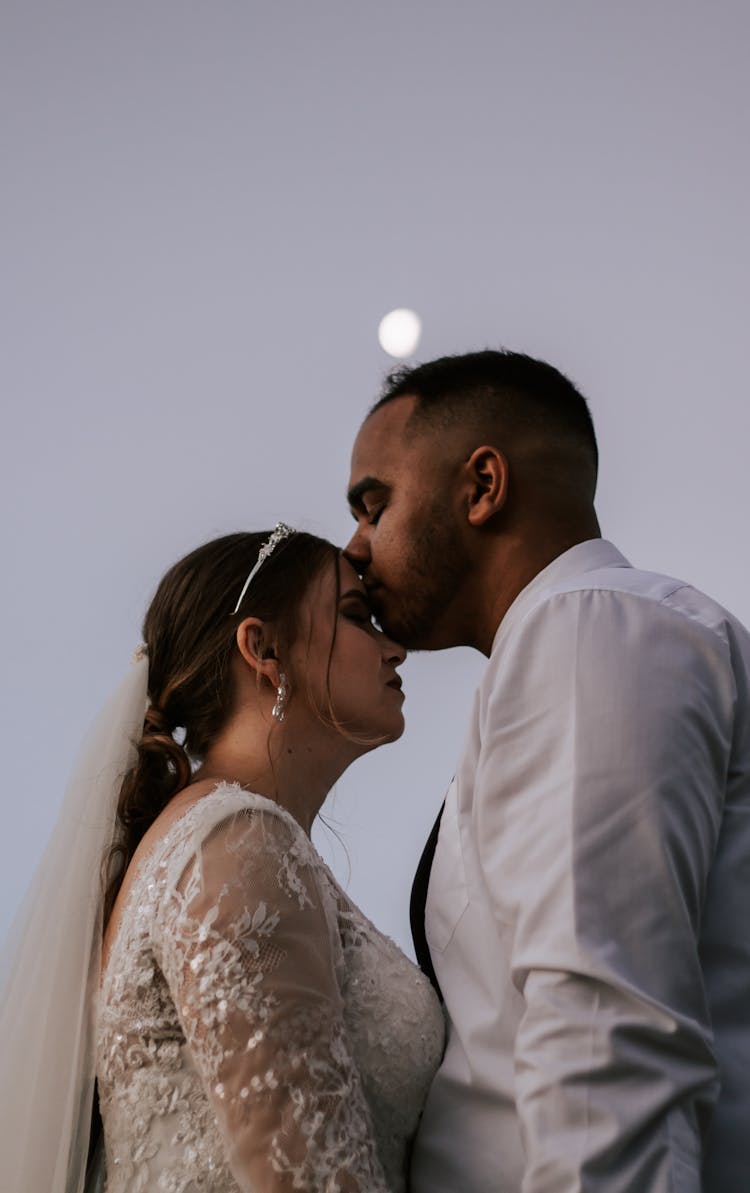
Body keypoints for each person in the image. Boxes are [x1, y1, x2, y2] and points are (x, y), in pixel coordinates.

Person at [345, 350, 750, 1192]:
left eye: (373, 503)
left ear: (483, 485)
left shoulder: (587, 634)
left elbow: (606, 1046)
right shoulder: (573, 646)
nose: (354, 547)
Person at [0, 526, 444, 1193]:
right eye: (356, 616)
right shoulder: (238, 844)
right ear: (264, 649)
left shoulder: (223, 840)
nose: (395, 646)